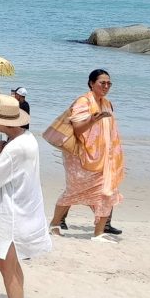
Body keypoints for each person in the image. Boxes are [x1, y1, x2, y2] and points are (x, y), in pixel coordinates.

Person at [0, 94, 52, 298]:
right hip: (20, 208)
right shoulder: (26, 138)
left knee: (6, 263)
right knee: (7, 261)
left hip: (14, 213)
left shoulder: (15, 148)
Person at [49, 69, 125, 241]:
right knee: (72, 192)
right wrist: (92, 119)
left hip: (104, 158)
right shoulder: (83, 102)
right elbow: (77, 130)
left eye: (109, 83)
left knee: (108, 192)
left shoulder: (106, 103)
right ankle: (54, 224)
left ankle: (99, 232)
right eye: (102, 83)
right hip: (80, 157)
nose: (106, 86)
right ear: (91, 83)